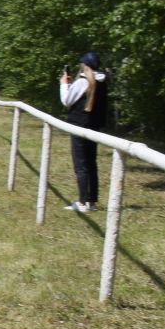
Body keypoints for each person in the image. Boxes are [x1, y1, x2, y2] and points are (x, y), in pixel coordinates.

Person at [60, 51, 112, 211]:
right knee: (91, 163)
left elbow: (66, 101)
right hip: (94, 126)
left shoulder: (83, 82)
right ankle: (91, 201)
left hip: (79, 125)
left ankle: (82, 202)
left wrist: (63, 84)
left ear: (85, 66)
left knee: (80, 164)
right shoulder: (102, 80)